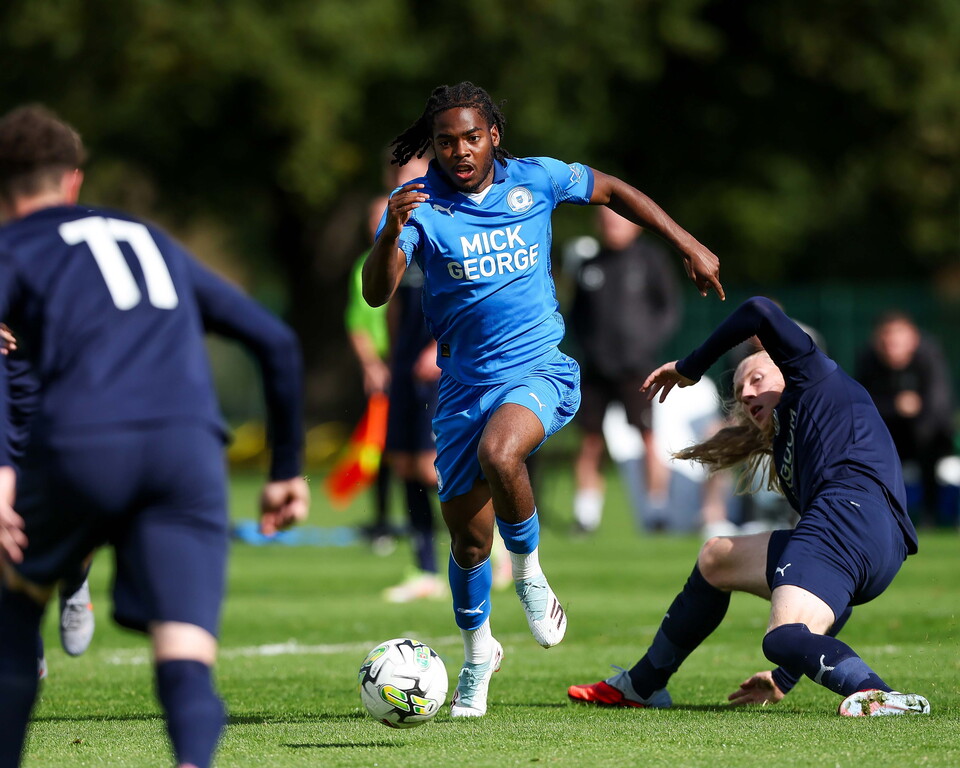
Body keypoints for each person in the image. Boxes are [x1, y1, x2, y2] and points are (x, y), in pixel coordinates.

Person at [363, 81, 723, 718]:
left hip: (540, 371)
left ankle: (529, 574)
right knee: (469, 546)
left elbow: (614, 191)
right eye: (446, 141)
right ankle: (479, 655)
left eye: (471, 137)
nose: (459, 151)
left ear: (492, 135)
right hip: (462, 391)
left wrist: (687, 242)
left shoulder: (538, 179)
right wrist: (391, 233)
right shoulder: (417, 205)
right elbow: (374, 293)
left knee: (503, 454)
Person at [0, 105, 310, 768]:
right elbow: (276, 341)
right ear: (74, 181)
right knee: (185, 653)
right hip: (188, 452)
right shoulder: (148, 238)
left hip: (81, 443)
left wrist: (1, 470)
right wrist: (287, 468)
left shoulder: (15, 248)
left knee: (11, 616)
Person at [567, 296, 930, 717]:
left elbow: (758, 308)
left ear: (785, 365)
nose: (747, 391)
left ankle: (881, 696)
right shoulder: (787, 443)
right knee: (718, 558)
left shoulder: (814, 378)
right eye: (740, 391)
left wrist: (689, 366)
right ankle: (642, 685)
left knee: (779, 637)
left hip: (849, 518)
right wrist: (784, 677)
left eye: (756, 377)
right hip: (875, 545)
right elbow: (833, 591)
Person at [569, 206, 681, 534]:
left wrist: (645, 345)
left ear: (634, 227)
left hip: (637, 368)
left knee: (647, 436)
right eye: (606, 222)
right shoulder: (589, 264)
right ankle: (585, 516)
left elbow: (668, 308)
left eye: (618, 222)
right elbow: (576, 314)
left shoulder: (650, 260)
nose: (612, 227)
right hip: (596, 369)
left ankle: (655, 512)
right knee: (590, 441)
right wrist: (589, 348)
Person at [855, 310, 955, 527]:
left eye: (897, 342)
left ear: (912, 339)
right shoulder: (868, 359)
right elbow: (861, 405)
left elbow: (939, 406)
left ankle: (930, 515)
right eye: (886, 341)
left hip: (927, 437)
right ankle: (877, 514)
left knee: (928, 439)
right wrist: (895, 405)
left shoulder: (929, 356)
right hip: (887, 432)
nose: (891, 348)